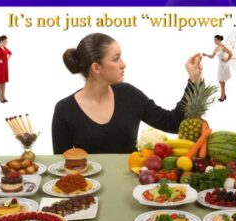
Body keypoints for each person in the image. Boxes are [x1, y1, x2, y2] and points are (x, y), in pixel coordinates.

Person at [52, 33, 203, 154]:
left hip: (133, 186)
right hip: (87, 189)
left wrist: (194, 81)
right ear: (96, 68)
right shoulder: (64, 110)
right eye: (116, 58)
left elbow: (173, 123)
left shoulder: (129, 95)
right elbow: (59, 165)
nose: (123, 64)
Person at [203, 35, 232, 102]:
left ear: (219, 40)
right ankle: (223, 94)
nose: (214, 41)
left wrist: (226, 60)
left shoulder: (223, 47)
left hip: (224, 65)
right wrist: (206, 55)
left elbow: (230, 54)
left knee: (222, 80)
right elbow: (212, 56)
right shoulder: (216, 48)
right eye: (214, 40)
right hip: (220, 65)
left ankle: (222, 95)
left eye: (215, 40)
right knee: (220, 80)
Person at [0, 35, 12, 103]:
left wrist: (7, 59)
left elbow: (10, 53)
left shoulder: (5, 48)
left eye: (6, 41)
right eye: (5, 41)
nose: (6, 42)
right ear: (1, 41)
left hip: (5, 67)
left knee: (4, 82)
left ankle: (3, 96)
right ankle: (0, 96)